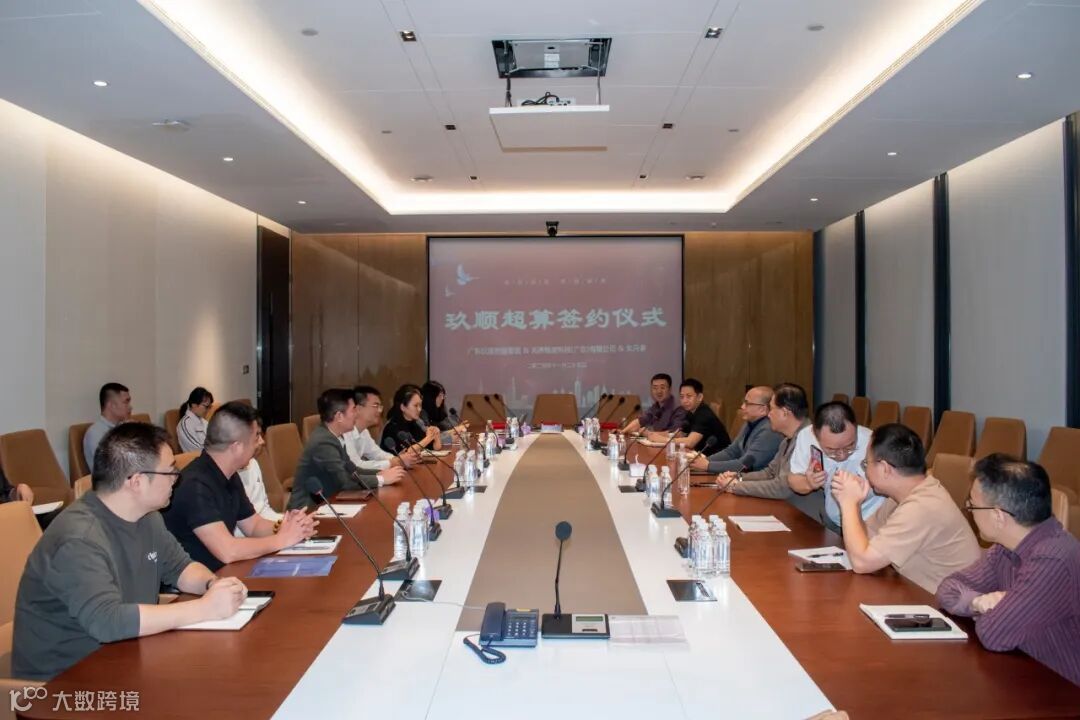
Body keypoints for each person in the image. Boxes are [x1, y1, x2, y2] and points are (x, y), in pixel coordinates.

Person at [12, 423, 247, 681]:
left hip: (126, 658)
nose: (176, 478)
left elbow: (180, 568)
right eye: (170, 472)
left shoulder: (148, 518)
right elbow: (108, 622)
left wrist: (214, 585)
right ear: (137, 482)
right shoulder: (79, 538)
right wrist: (204, 608)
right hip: (65, 683)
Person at [937, 455, 1080, 686]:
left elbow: (995, 634)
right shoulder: (1005, 548)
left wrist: (998, 611)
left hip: (1063, 692)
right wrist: (977, 602)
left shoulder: (1053, 559)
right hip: (1022, 676)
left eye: (972, 505)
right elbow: (948, 588)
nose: (970, 510)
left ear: (998, 516)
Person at [163, 402, 318, 572]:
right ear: (236, 447)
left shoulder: (228, 474)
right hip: (200, 580)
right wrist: (283, 539)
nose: (261, 442)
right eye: (256, 437)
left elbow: (253, 525)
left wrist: (288, 526)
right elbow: (228, 551)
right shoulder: (195, 486)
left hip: (224, 573)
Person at [830, 423, 981, 593]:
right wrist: (855, 504)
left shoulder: (922, 506)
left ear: (885, 468)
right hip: (917, 594)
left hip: (948, 605)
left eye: (866, 464)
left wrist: (848, 503)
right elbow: (867, 539)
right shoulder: (905, 494)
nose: (865, 472)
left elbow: (862, 563)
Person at [288, 388, 394, 510]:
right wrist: (381, 479)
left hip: (330, 501)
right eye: (353, 409)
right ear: (339, 416)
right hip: (307, 510)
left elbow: (352, 470)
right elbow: (344, 482)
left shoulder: (335, 436)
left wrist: (379, 473)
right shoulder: (323, 442)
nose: (356, 414)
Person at [788, 401, 883, 529]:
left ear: (856, 428)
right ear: (815, 435)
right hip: (833, 519)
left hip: (868, 521)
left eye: (850, 446)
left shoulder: (872, 443)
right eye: (832, 450)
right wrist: (809, 483)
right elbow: (793, 480)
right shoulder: (806, 437)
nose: (842, 455)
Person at [716, 383, 811, 502]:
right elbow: (770, 473)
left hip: (799, 511)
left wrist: (736, 486)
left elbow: (782, 488)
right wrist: (738, 477)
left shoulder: (808, 441)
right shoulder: (787, 439)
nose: (768, 414)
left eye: (771, 409)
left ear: (785, 413)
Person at [692, 386, 781, 473]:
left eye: (747, 403)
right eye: (743, 402)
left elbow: (745, 465)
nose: (742, 406)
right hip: (741, 477)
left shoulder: (770, 430)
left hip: (756, 479)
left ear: (763, 409)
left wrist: (708, 465)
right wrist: (703, 461)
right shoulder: (750, 423)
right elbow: (732, 451)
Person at [646, 378, 729, 452]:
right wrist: (652, 434)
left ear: (699, 397)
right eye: (682, 397)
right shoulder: (690, 412)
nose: (684, 401)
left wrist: (661, 439)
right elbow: (679, 433)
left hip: (718, 458)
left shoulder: (704, 414)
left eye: (689, 396)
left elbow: (690, 442)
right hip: (700, 454)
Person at [344, 386, 413, 474]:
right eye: (375, 406)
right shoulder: (345, 432)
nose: (380, 411)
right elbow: (356, 466)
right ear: (358, 409)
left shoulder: (364, 431)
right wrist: (392, 463)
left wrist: (397, 459)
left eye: (380, 406)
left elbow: (377, 454)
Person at [83, 382, 132, 471]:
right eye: (126, 402)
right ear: (111, 405)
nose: (130, 407)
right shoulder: (95, 433)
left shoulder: (123, 427)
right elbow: (111, 469)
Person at [381, 384, 442, 454]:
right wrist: (428, 438)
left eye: (420, 405)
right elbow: (409, 452)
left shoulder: (416, 424)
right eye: (416, 405)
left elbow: (435, 448)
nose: (419, 409)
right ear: (403, 407)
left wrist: (436, 436)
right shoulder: (392, 428)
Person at [620, 373, 686, 435]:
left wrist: (649, 434)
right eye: (655, 388)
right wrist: (622, 431)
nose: (659, 391)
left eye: (662, 387)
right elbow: (640, 421)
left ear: (670, 389)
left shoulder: (678, 408)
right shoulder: (655, 407)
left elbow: (675, 433)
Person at [177, 386, 214, 452]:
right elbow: (198, 449)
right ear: (194, 404)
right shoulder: (185, 424)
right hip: (200, 457)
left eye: (209, 407)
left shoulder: (203, 421)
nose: (208, 410)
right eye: (206, 407)